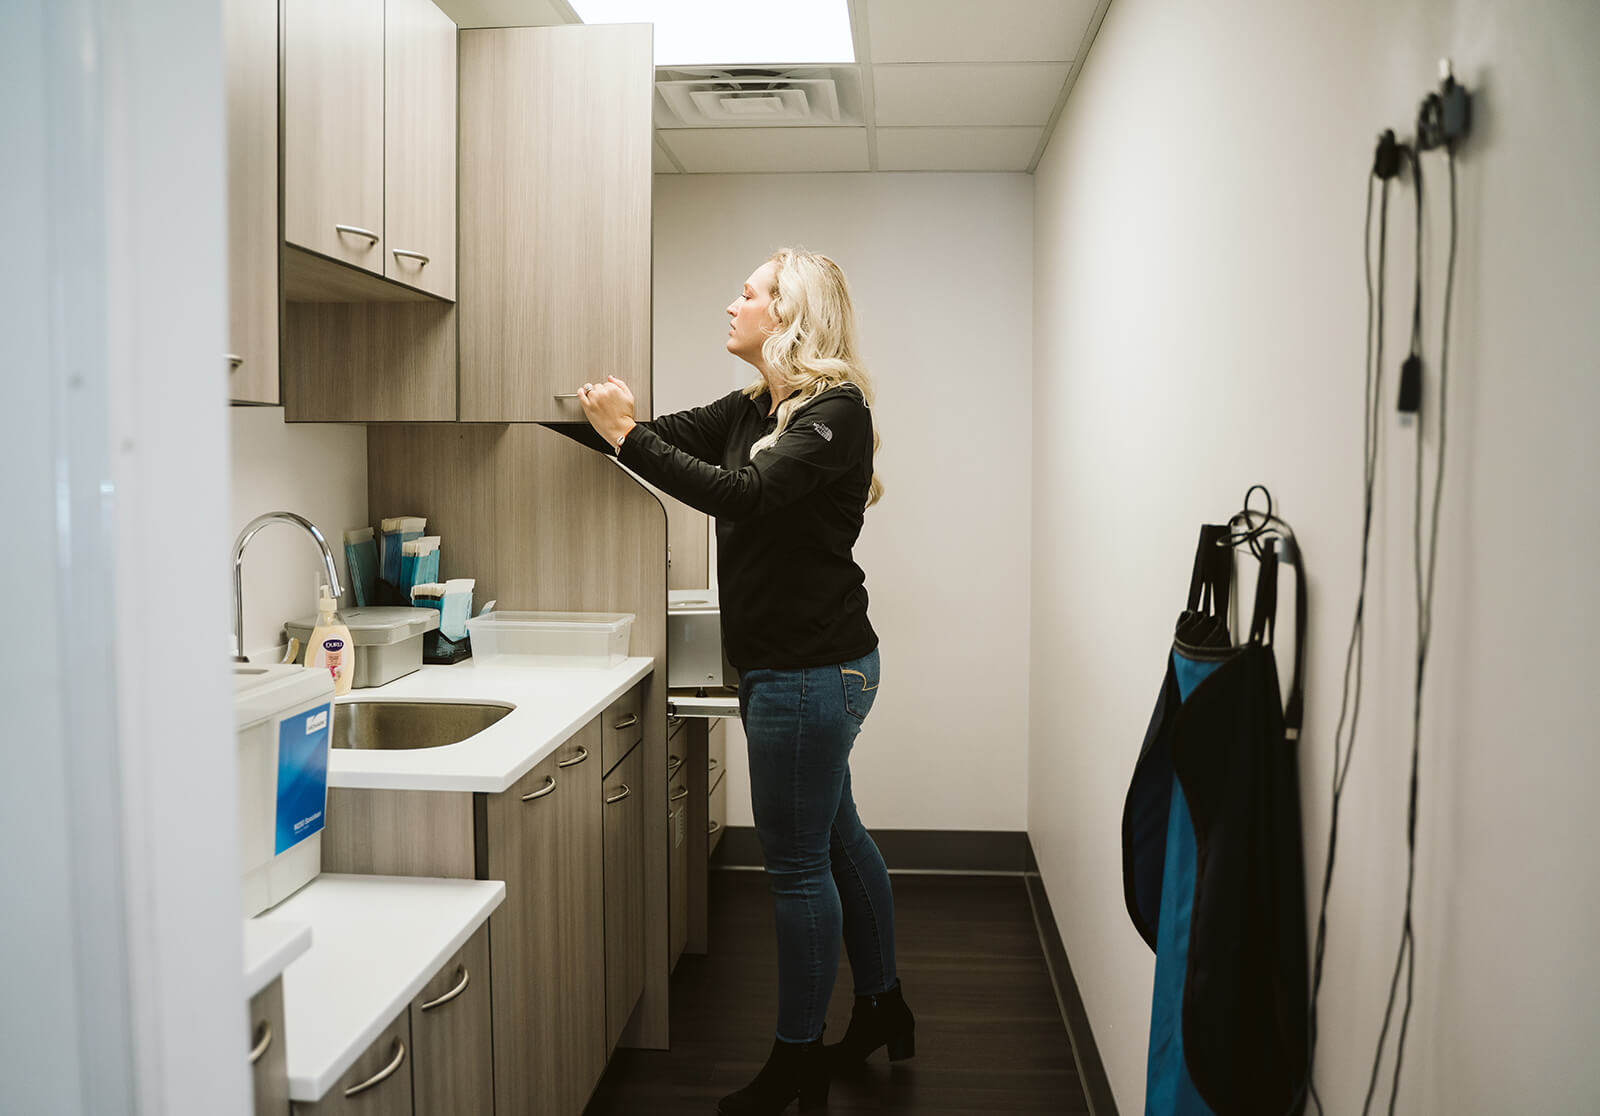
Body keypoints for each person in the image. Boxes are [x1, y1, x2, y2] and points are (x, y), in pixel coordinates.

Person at [577, 248, 914, 1114]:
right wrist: (575, 418)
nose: (734, 302)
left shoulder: (835, 415)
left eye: (751, 291)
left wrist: (626, 435)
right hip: (800, 668)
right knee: (838, 842)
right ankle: (882, 1007)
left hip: (810, 673)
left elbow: (742, 495)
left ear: (789, 314)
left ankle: (797, 1062)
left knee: (798, 868)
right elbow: (667, 443)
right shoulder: (755, 405)